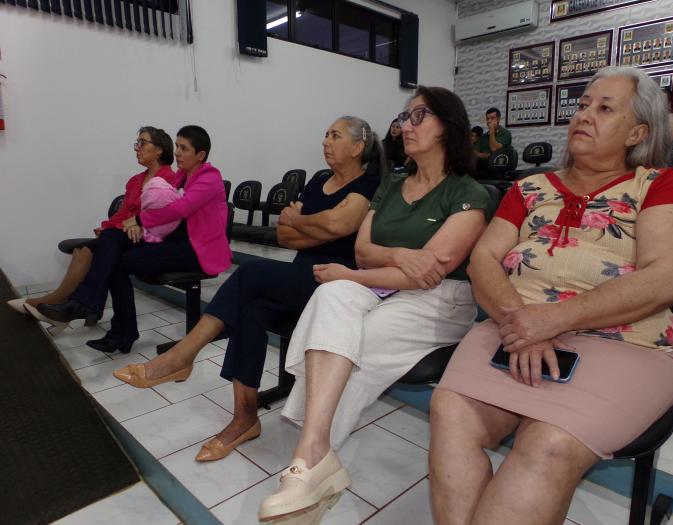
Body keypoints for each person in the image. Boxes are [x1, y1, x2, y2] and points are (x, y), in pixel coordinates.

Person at [429, 66, 673, 525]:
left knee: (548, 442)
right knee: (451, 411)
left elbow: (669, 279)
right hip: (512, 324)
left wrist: (554, 319)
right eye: (582, 105)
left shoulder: (660, 184)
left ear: (637, 133)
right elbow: (482, 260)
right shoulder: (528, 189)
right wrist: (523, 322)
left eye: (605, 108)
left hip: (625, 343)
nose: (584, 115)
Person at [257, 86, 491, 524]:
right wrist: (397, 256)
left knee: (355, 340)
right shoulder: (393, 184)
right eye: (404, 117)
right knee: (330, 295)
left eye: (419, 116)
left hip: (439, 300)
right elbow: (363, 252)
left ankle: (309, 464)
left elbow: (430, 273)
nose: (406, 125)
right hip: (379, 284)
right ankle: (314, 456)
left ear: (448, 127)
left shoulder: (469, 193)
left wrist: (353, 274)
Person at [113, 116, 383, 462]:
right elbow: (285, 235)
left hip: (335, 283)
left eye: (335, 135)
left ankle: (183, 355)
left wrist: (301, 222)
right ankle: (245, 418)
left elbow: (338, 223)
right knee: (249, 309)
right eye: (325, 134)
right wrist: (315, 229)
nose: (325, 141)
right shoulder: (319, 183)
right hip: (300, 275)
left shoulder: (369, 184)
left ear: (358, 147)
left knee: (252, 272)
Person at [38, 126, 230, 354]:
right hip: (172, 238)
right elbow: (158, 208)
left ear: (201, 154)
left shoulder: (210, 178)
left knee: (115, 259)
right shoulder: (181, 176)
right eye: (177, 146)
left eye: (184, 148)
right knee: (111, 238)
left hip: (197, 249)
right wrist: (135, 223)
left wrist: (139, 220)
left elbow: (180, 209)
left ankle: (113, 325)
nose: (177, 152)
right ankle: (98, 312)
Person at [9, 127, 177, 335]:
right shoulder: (135, 180)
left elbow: (159, 218)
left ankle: (58, 302)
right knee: (84, 250)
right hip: (124, 234)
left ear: (159, 149)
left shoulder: (170, 180)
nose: (137, 148)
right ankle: (67, 306)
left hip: (148, 237)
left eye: (142, 143)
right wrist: (107, 227)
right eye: (137, 143)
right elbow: (123, 213)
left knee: (95, 248)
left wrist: (118, 228)